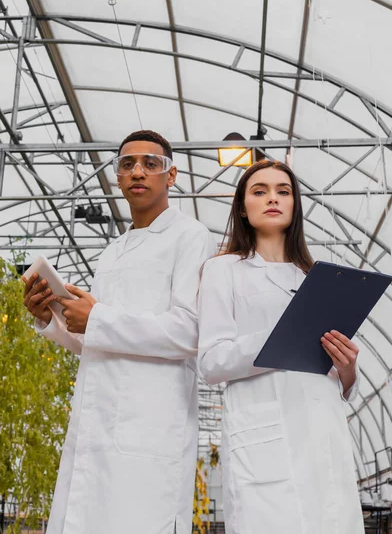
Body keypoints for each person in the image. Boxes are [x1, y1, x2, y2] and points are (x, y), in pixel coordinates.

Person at [22, 130, 216, 534]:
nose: (137, 171)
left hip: (150, 424)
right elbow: (95, 339)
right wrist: (52, 317)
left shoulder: (190, 236)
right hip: (97, 419)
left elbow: (190, 331)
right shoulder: (113, 251)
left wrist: (98, 318)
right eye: (127, 164)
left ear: (172, 175)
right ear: (117, 177)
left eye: (150, 163)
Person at [198, 159, 364, 534]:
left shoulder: (320, 278)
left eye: (283, 191)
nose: (273, 198)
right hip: (266, 441)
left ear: (295, 205)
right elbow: (210, 361)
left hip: (324, 437)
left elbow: (337, 376)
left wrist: (348, 369)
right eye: (260, 191)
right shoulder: (223, 270)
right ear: (243, 206)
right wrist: (282, 336)